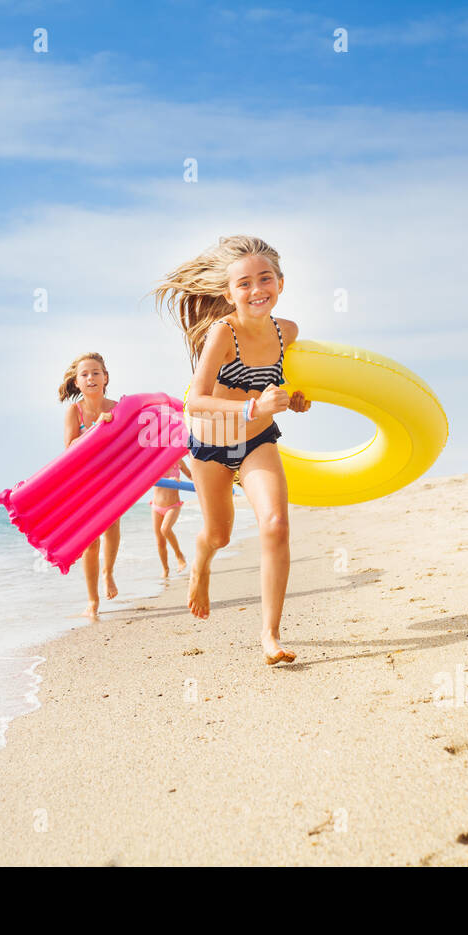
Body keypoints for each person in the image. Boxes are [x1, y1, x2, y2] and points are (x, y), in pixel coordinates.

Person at [151, 236, 312, 665]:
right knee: (219, 533)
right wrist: (253, 405)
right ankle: (201, 564)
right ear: (229, 294)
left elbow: (280, 381)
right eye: (244, 283)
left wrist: (293, 399)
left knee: (276, 524)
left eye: (265, 279)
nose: (257, 289)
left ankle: (270, 636)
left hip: (258, 438)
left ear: (280, 283)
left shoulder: (287, 332)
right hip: (210, 442)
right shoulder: (224, 332)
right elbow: (195, 400)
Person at [59, 352, 120, 620]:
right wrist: (96, 427)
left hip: (112, 478)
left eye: (96, 373)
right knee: (90, 541)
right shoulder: (75, 411)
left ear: (105, 378)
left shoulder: (117, 407)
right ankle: (93, 600)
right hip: (84, 481)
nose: (91, 378)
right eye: (84, 374)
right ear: (77, 382)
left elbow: (126, 443)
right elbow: (69, 447)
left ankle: (108, 572)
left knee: (112, 527)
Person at [151, 454, 193, 577]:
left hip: (173, 505)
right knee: (160, 542)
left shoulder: (177, 460)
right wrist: (169, 481)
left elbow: (190, 475)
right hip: (156, 506)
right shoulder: (155, 461)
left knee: (165, 529)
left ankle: (179, 555)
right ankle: (165, 569)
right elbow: (150, 478)